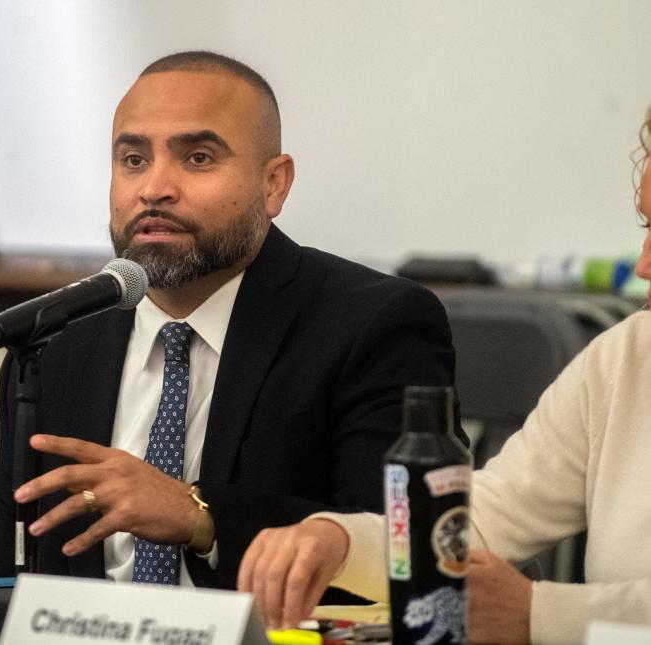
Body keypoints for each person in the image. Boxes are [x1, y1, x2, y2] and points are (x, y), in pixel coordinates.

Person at [0, 51, 461, 592]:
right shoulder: (58, 343)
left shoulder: (373, 325)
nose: (154, 188)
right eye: (134, 160)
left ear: (274, 185)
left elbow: (402, 552)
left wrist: (199, 517)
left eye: (199, 158)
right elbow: (8, 576)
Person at [238, 105, 651, 643]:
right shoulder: (628, 355)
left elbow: (527, 605)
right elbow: (481, 523)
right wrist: (339, 541)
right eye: (645, 226)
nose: (643, 266)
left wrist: (540, 614)